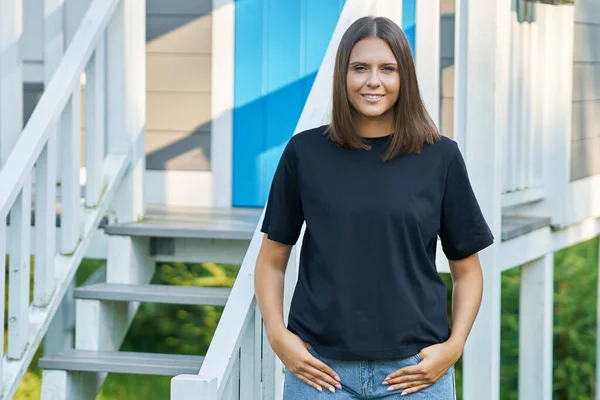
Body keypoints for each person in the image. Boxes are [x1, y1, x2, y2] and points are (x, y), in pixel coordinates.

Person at [255, 16, 494, 399]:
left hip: (415, 375)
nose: (373, 81)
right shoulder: (304, 153)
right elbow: (271, 261)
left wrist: (453, 347)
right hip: (319, 372)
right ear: (343, 75)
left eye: (388, 69)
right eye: (360, 68)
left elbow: (468, 272)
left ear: (405, 78)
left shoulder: (440, 156)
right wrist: (277, 335)